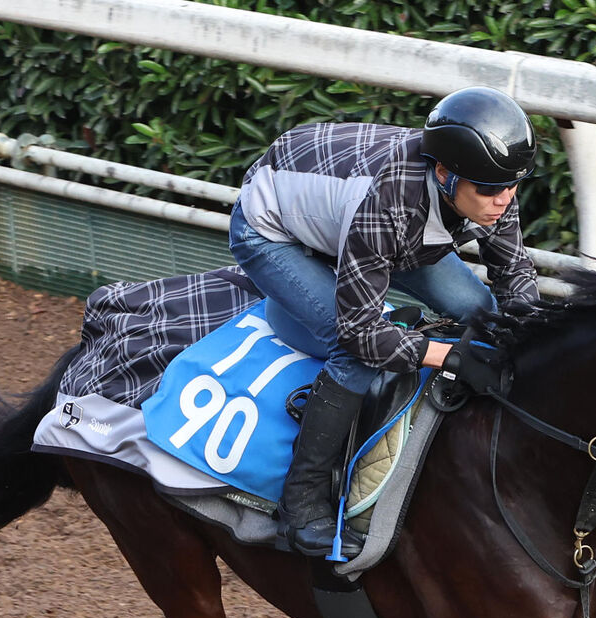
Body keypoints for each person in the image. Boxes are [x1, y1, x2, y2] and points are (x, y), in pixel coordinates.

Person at [229, 85, 540, 558]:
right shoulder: (391, 202)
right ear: (444, 173)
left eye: (513, 186)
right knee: (349, 349)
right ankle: (301, 505)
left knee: (481, 310)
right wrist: (450, 358)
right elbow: (361, 335)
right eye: (492, 191)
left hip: (376, 226)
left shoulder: (491, 182)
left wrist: (532, 340)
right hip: (272, 229)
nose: (504, 200)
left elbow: (513, 275)